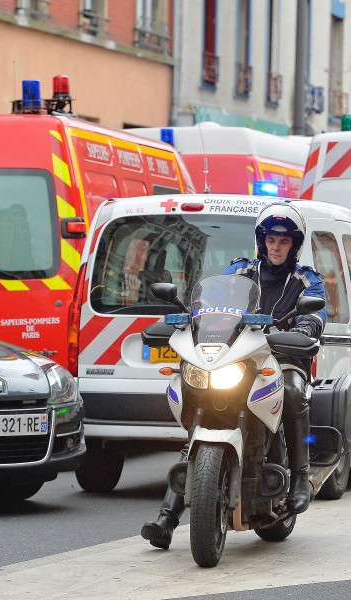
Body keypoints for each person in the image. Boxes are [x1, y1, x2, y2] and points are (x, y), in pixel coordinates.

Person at [140, 201, 327, 550]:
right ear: (261, 240)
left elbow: (316, 317)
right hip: (235, 354)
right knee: (201, 403)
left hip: (281, 356)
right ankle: (167, 518)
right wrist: (190, 319)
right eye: (271, 238)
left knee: (291, 388)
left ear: (294, 245)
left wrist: (306, 326)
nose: (276, 246)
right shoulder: (240, 271)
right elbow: (209, 303)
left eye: (284, 241)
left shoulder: (306, 279)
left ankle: (301, 478)